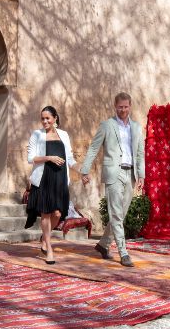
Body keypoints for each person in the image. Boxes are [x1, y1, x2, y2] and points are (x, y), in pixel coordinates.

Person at [80, 92, 145, 267]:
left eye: (126, 107)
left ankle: (103, 245)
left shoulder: (137, 128)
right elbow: (94, 148)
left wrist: (141, 175)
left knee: (120, 214)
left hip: (130, 174)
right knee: (116, 214)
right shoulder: (107, 125)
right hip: (113, 174)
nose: (123, 110)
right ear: (115, 107)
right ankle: (123, 253)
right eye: (120, 107)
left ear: (130, 106)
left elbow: (140, 154)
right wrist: (84, 170)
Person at [25, 105, 77, 264]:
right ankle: (49, 248)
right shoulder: (37, 135)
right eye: (42, 118)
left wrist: (82, 171)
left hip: (60, 180)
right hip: (44, 178)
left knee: (58, 214)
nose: (45, 121)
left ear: (55, 118)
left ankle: (44, 237)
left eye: (48, 118)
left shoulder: (64, 135)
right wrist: (49, 158)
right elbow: (30, 158)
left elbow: (70, 158)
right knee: (46, 213)